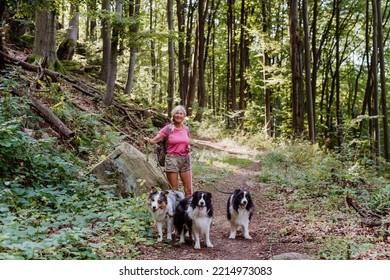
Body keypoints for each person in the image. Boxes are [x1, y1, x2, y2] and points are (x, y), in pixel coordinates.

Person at [144, 105, 193, 197]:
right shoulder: (167, 129)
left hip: (185, 159)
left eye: (181, 113)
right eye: (177, 113)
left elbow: (187, 142)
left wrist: (188, 147)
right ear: (173, 115)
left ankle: (187, 210)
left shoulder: (186, 129)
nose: (179, 115)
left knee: (189, 190)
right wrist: (148, 140)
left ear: (184, 116)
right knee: (174, 190)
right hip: (172, 160)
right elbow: (154, 141)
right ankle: (176, 210)